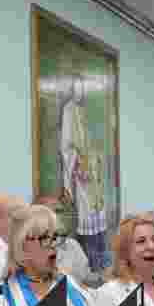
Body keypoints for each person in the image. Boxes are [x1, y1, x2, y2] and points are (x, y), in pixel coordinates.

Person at [60, 74, 109, 272]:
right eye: (77, 87)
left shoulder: (88, 110)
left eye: (83, 88)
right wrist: (76, 161)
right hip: (81, 172)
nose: (80, 92)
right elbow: (66, 145)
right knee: (86, 215)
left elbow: (96, 141)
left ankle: (100, 264)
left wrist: (97, 159)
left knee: (99, 214)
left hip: (94, 173)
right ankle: (89, 266)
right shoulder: (68, 110)